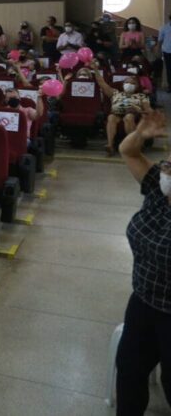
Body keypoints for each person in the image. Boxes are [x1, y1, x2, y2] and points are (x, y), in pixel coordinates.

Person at [114, 110, 171, 414]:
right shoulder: (158, 192)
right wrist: (140, 134)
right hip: (144, 301)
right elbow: (128, 151)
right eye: (167, 165)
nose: (165, 172)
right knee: (129, 371)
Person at [89, 64, 151, 156]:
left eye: (132, 83)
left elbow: (148, 110)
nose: (129, 85)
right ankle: (110, 145)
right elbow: (101, 83)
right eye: (127, 82)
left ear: (137, 86)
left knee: (128, 117)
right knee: (111, 117)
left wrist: (140, 112)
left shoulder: (141, 96)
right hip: (117, 113)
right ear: (123, 85)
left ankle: (132, 145)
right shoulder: (115, 93)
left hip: (132, 114)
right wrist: (95, 70)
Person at [160, 13, 171, 94]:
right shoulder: (164, 28)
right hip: (167, 51)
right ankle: (170, 86)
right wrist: (158, 51)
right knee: (169, 69)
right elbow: (160, 40)